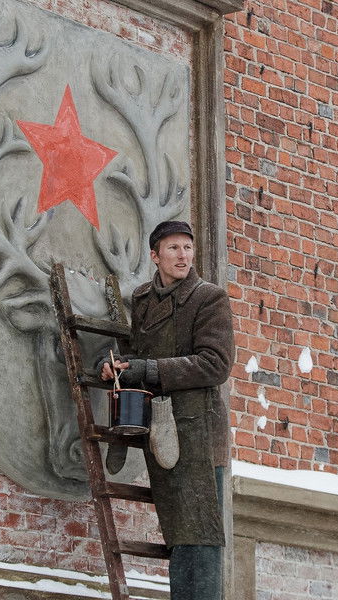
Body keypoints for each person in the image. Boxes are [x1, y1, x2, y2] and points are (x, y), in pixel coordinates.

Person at [99, 220, 234, 600]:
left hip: (199, 431)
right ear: (155, 256)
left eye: (187, 248)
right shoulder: (144, 299)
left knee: (199, 533)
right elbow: (137, 353)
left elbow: (216, 364)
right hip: (163, 425)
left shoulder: (209, 298)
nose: (183, 256)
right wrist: (115, 366)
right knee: (178, 531)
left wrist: (148, 370)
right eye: (173, 248)